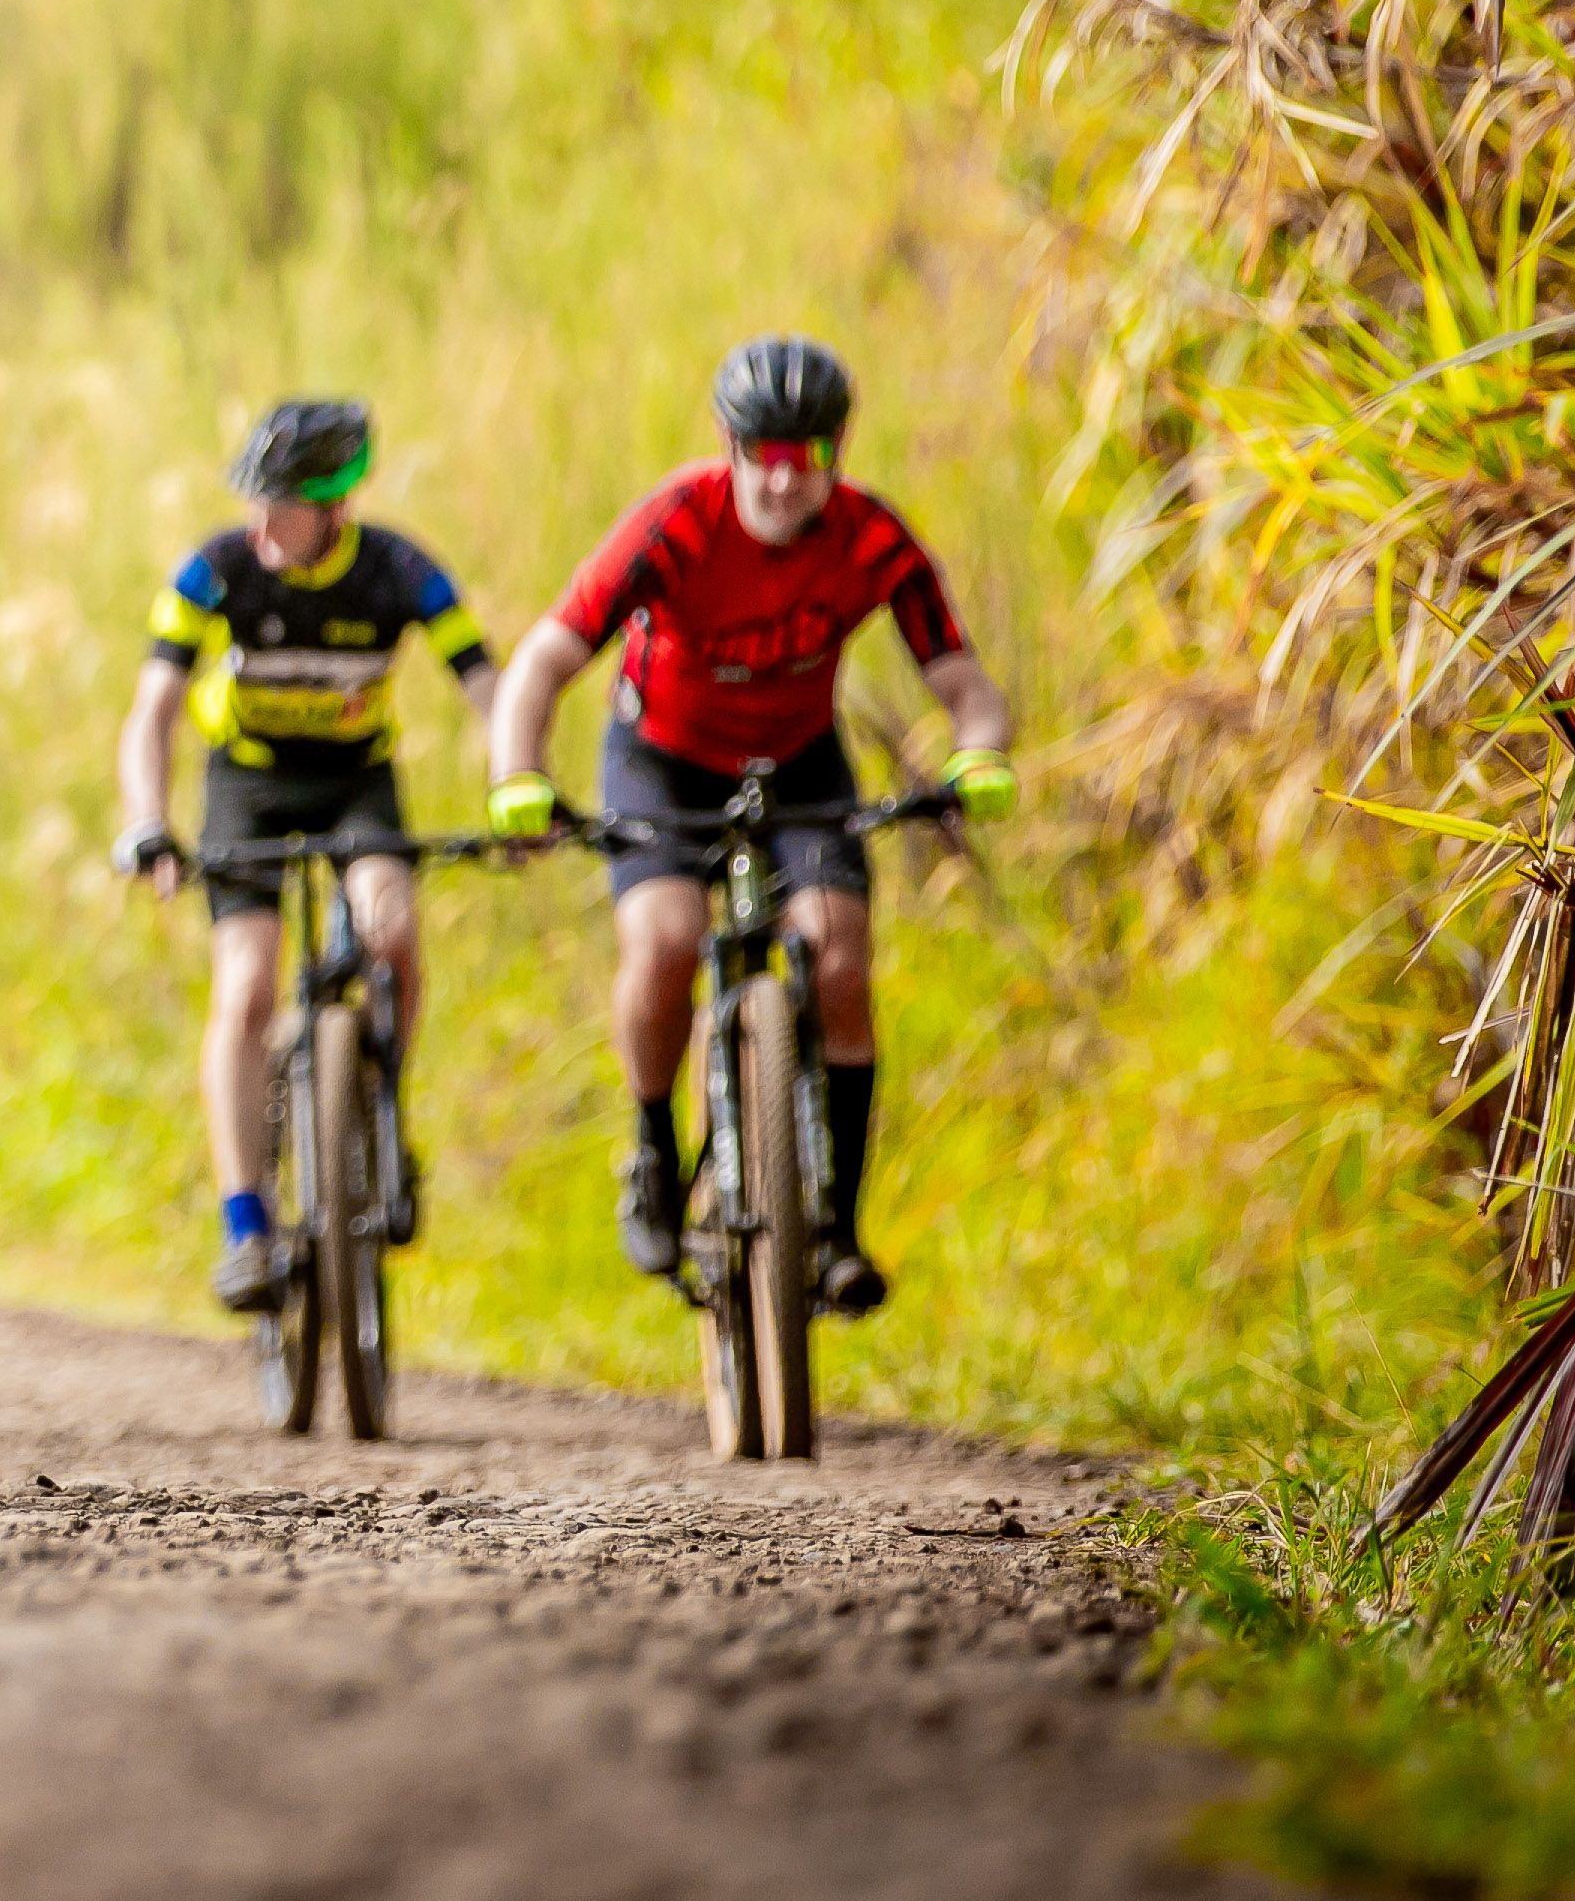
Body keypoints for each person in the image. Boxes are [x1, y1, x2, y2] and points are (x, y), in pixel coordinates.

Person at [481, 336, 1015, 1319]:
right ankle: (653, 1149)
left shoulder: (869, 537)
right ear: (729, 447)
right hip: (662, 759)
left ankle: (836, 1227)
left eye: (806, 456)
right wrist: (517, 771)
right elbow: (545, 660)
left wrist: (978, 754)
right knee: (667, 938)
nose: (782, 479)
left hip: (798, 762)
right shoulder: (675, 522)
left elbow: (963, 681)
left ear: (838, 451)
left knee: (839, 952)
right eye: (762, 454)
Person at [110, 399, 497, 1314]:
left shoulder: (400, 570)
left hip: (356, 780)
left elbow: (487, 683)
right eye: (253, 500)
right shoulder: (216, 569)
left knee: (392, 931)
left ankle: (383, 1115)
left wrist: (516, 783)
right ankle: (245, 1225)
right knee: (247, 986)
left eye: (278, 505)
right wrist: (147, 819)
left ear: (333, 506)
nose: (259, 523)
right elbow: (153, 709)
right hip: (247, 782)